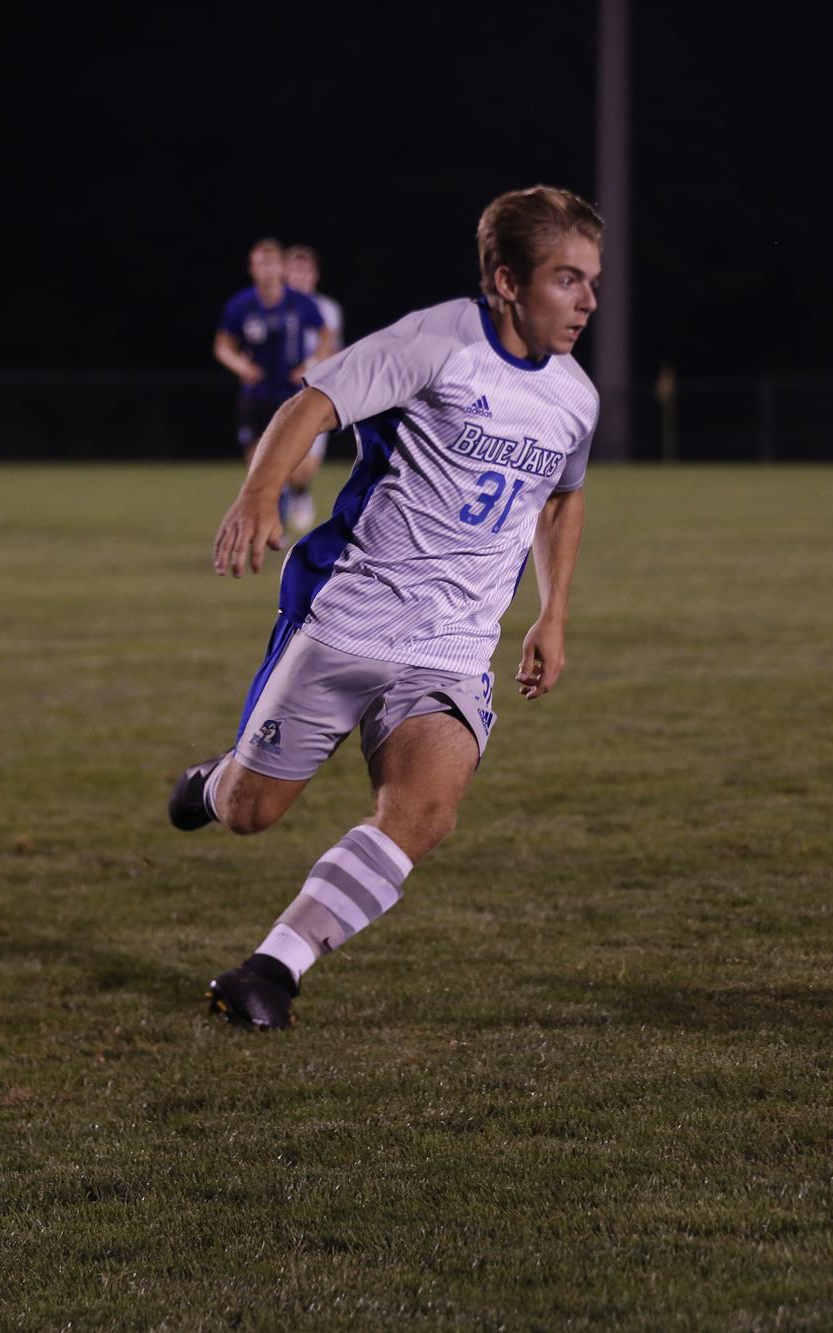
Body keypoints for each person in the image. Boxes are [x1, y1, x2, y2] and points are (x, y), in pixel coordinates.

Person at [170, 186, 604, 1030]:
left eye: (593, 280)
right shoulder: (434, 342)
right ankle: (213, 781)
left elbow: (562, 496)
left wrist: (552, 615)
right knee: (251, 812)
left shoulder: (575, 397)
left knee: (425, 812)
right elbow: (312, 403)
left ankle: (272, 970)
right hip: (348, 615)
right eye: (567, 279)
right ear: (508, 280)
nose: (588, 300)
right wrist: (259, 495)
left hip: (452, 644)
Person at [214, 238, 332, 533]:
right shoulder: (241, 305)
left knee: (295, 469)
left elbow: (326, 335)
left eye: (272, 264)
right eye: (260, 265)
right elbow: (222, 346)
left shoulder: (299, 303)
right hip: (255, 396)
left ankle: (296, 497)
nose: (267, 271)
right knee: (257, 467)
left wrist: (310, 364)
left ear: (281, 268)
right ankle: (271, 521)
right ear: (252, 269)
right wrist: (241, 366)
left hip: (291, 396)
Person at [283, 244, 344, 533]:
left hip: (314, 391)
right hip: (278, 392)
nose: (299, 277)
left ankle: (298, 492)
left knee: (306, 465)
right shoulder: (275, 306)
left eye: (304, 271)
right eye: (294, 270)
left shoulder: (328, 309)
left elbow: (333, 349)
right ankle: (278, 506)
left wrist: (308, 365)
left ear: (314, 275)